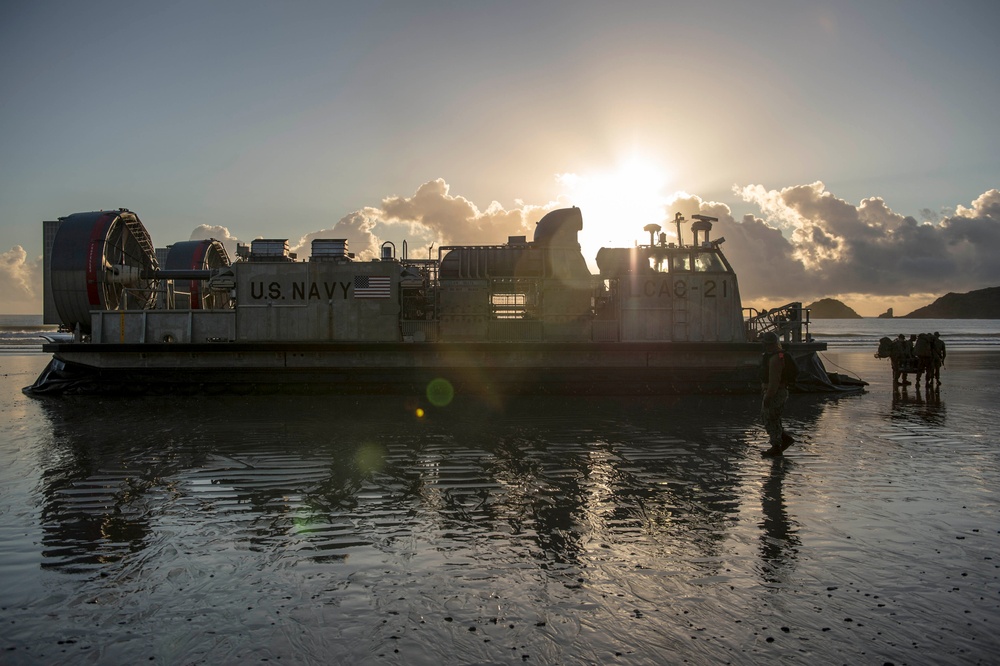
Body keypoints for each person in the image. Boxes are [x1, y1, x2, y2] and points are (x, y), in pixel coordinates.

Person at [760, 332, 794, 456]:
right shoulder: (775, 356)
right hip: (776, 391)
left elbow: (774, 381)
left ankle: (776, 445)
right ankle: (781, 440)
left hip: (775, 392)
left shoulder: (775, 359)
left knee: (770, 418)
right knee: (772, 418)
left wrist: (768, 396)